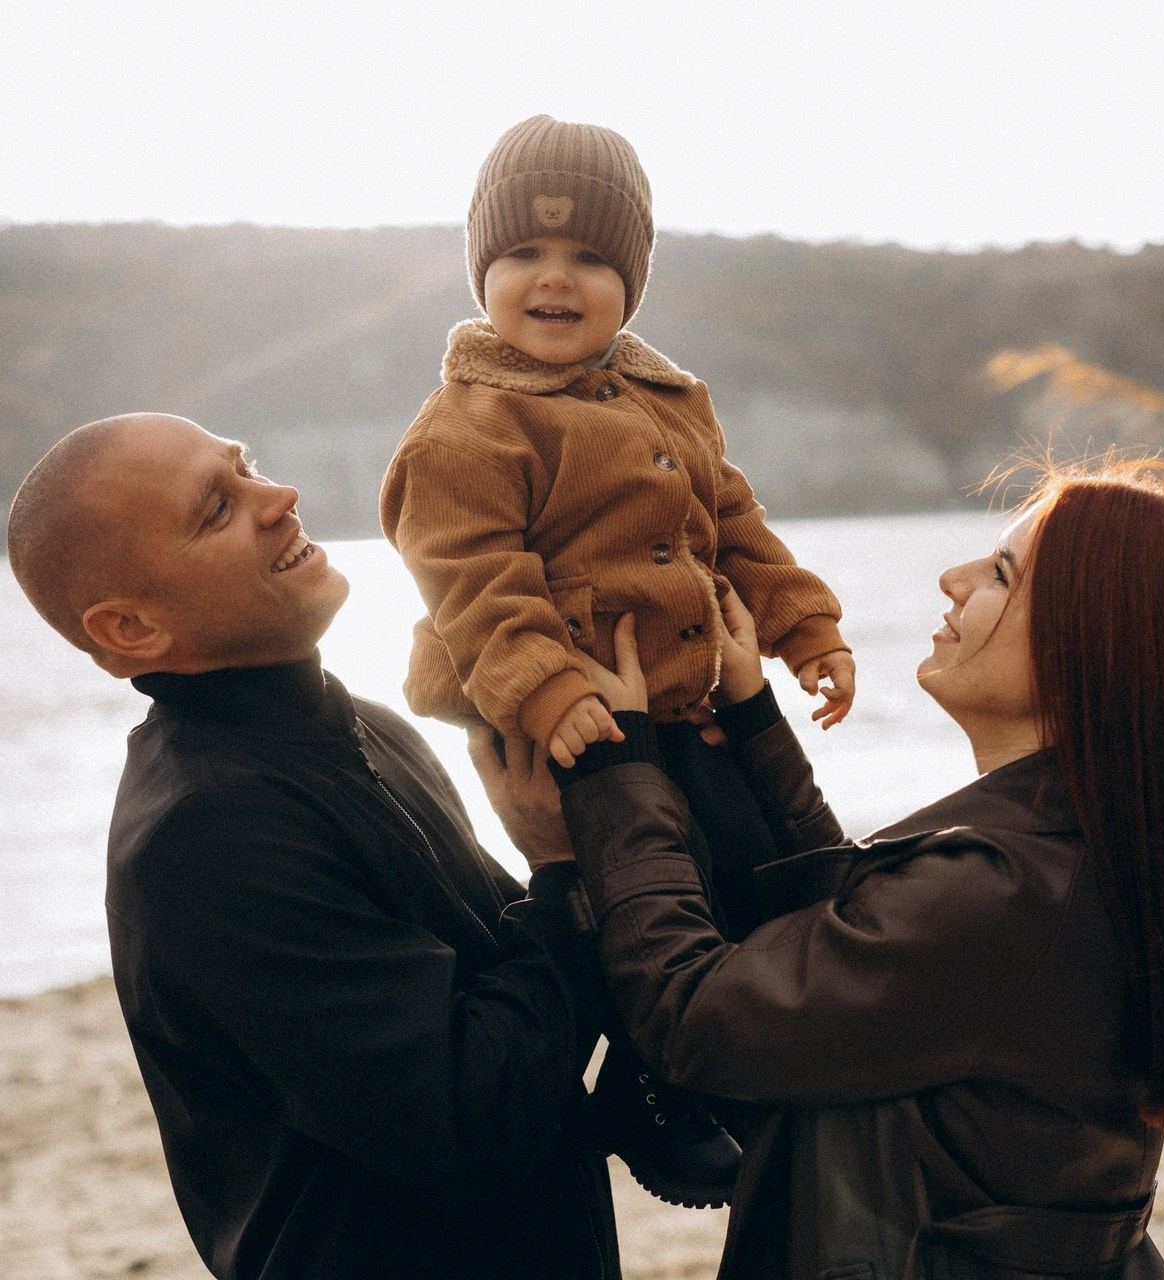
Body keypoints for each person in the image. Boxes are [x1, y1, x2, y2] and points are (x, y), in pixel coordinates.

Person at [478, 457, 1164, 1279]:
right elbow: (865, 947)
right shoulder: (1077, 858)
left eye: (1001, 573)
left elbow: (697, 1020)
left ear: (1090, 643)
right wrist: (755, 727)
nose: (954, 578)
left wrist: (615, 784)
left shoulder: (1006, 892)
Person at [6, 412, 625, 1280]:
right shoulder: (206, 833)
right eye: (217, 508)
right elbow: (469, 1122)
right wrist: (562, 874)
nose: (279, 497)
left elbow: (512, 987)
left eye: (247, 465)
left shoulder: (360, 725)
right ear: (132, 630)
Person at [380, 112, 852, 1200]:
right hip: (566, 702)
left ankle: (718, 1070)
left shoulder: (664, 398)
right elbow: (467, 574)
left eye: (589, 256)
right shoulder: (470, 427)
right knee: (634, 895)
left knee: (742, 871)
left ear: (630, 279)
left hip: (683, 703)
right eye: (523, 255)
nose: (555, 279)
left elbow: (733, 523)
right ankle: (646, 1080)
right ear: (479, 269)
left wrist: (804, 626)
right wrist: (544, 687)